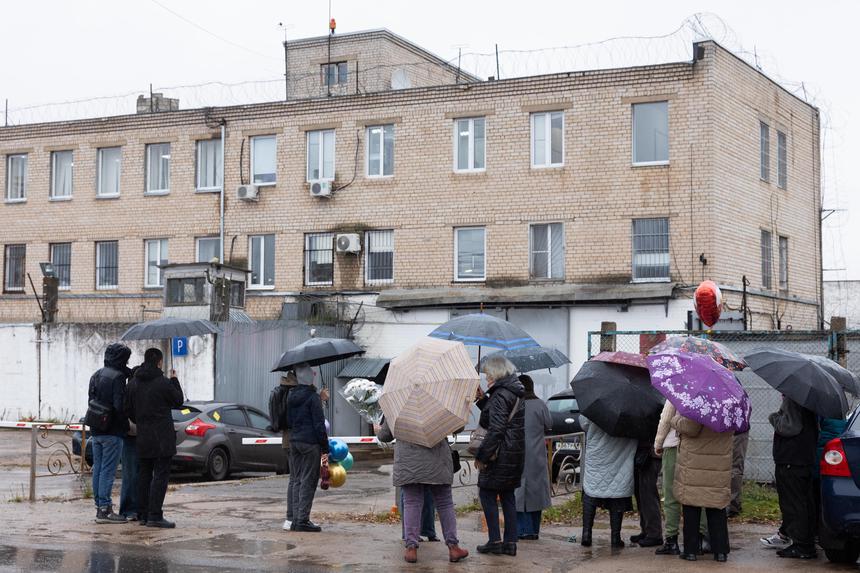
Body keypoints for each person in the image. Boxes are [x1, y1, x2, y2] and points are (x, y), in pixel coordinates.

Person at [375, 417, 468, 564]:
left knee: (412, 503)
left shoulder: (399, 403)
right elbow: (458, 427)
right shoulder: (437, 400)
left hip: (409, 461)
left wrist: (378, 430)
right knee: (444, 504)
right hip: (437, 460)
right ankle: (453, 547)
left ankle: (411, 548)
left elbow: (385, 435)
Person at [124, 348, 184, 528]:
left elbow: (128, 410)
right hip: (162, 437)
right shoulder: (163, 382)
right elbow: (178, 400)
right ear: (159, 362)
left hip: (143, 436)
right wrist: (175, 380)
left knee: (144, 475)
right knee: (160, 475)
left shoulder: (133, 384)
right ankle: (155, 515)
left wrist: (141, 421)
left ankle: (142, 514)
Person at [474, 355, 525, 557]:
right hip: (514, 454)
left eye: (487, 374)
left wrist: (482, 456)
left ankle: (495, 540)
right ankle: (511, 542)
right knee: (507, 496)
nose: (486, 378)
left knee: (486, 493)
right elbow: (500, 416)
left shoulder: (500, 395)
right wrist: (483, 400)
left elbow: (496, 429)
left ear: (496, 373)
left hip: (499, 454)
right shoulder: (515, 391)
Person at [671, 412, 732, 562]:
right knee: (716, 507)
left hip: (694, 463)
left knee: (691, 506)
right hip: (718, 464)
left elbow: (691, 428)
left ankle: (691, 551)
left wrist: (675, 419)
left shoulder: (700, 405)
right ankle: (720, 552)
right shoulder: (728, 408)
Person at [769, 394, 819, 559]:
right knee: (804, 502)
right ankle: (806, 542)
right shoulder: (811, 401)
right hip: (804, 458)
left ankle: (802, 545)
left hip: (791, 458)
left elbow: (789, 427)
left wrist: (774, 417)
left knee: (793, 503)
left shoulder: (793, 399)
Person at [653, 401, 706, 556]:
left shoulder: (679, 388)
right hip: (697, 448)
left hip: (673, 445)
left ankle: (671, 539)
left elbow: (666, 417)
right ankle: (699, 539)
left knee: (671, 494)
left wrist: (658, 442)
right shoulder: (707, 392)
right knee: (698, 495)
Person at [88, 342, 132, 524]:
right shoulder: (119, 378)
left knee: (98, 468)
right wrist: (125, 426)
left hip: (96, 428)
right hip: (113, 431)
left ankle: (100, 506)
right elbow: (119, 407)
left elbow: (91, 400)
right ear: (121, 359)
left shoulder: (96, 374)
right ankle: (105, 509)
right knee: (108, 470)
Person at [579, 415, 637, 549]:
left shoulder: (597, 403)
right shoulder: (630, 406)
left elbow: (584, 423)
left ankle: (586, 533)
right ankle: (615, 537)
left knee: (591, 490)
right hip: (621, 453)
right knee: (617, 492)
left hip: (597, 455)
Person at [286, 363, 328, 532]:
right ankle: (303, 520)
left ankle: (296, 519)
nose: (314, 375)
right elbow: (319, 425)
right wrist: (325, 447)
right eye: (312, 373)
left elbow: (289, 421)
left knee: (296, 480)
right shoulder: (312, 397)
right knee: (308, 481)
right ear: (308, 377)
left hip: (294, 441)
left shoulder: (291, 395)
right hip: (310, 443)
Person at [514, 375, 552, 541]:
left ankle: (522, 530)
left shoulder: (515, 406)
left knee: (518, 493)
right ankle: (534, 530)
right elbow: (549, 424)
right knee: (536, 493)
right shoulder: (541, 404)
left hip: (518, 454)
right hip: (537, 456)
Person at [632, 434, 663, 547]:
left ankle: (654, 533)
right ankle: (646, 529)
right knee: (641, 494)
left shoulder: (653, 416)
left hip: (651, 453)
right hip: (645, 451)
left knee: (648, 494)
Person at [277, 371, 298, 531]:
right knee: (298, 480)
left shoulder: (281, 390)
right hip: (296, 439)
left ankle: (290, 518)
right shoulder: (294, 392)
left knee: (293, 479)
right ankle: (293, 517)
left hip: (286, 440)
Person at [118, 418, 139, 521]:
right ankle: (128, 510)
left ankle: (137, 509)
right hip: (130, 434)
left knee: (140, 475)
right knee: (130, 475)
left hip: (142, 433)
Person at [728, 429, 750, 517]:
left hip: (736, 430)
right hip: (738, 430)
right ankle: (733, 505)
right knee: (736, 467)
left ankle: (733, 506)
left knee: (735, 468)